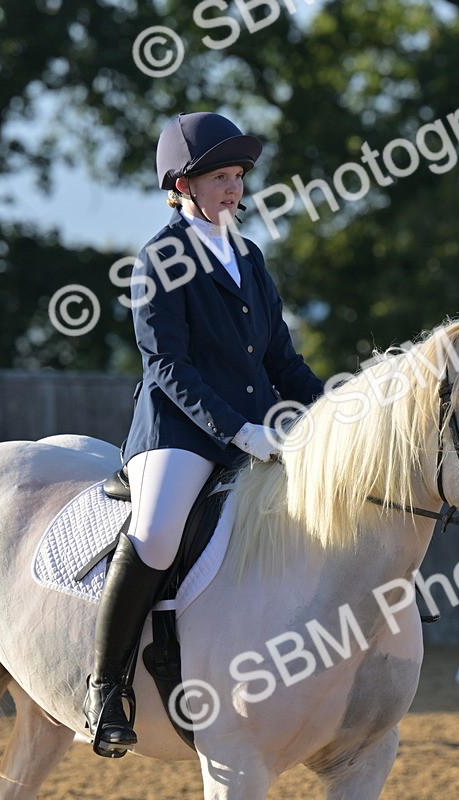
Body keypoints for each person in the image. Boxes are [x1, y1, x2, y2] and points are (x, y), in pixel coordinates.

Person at [83, 112, 324, 757]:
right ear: (183, 184)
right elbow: (167, 365)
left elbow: (281, 360)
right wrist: (239, 429)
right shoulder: (162, 257)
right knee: (157, 533)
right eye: (220, 176)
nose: (234, 188)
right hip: (180, 433)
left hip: (255, 431)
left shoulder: (248, 255)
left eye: (239, 175)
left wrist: (332, 412)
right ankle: (106, 687)